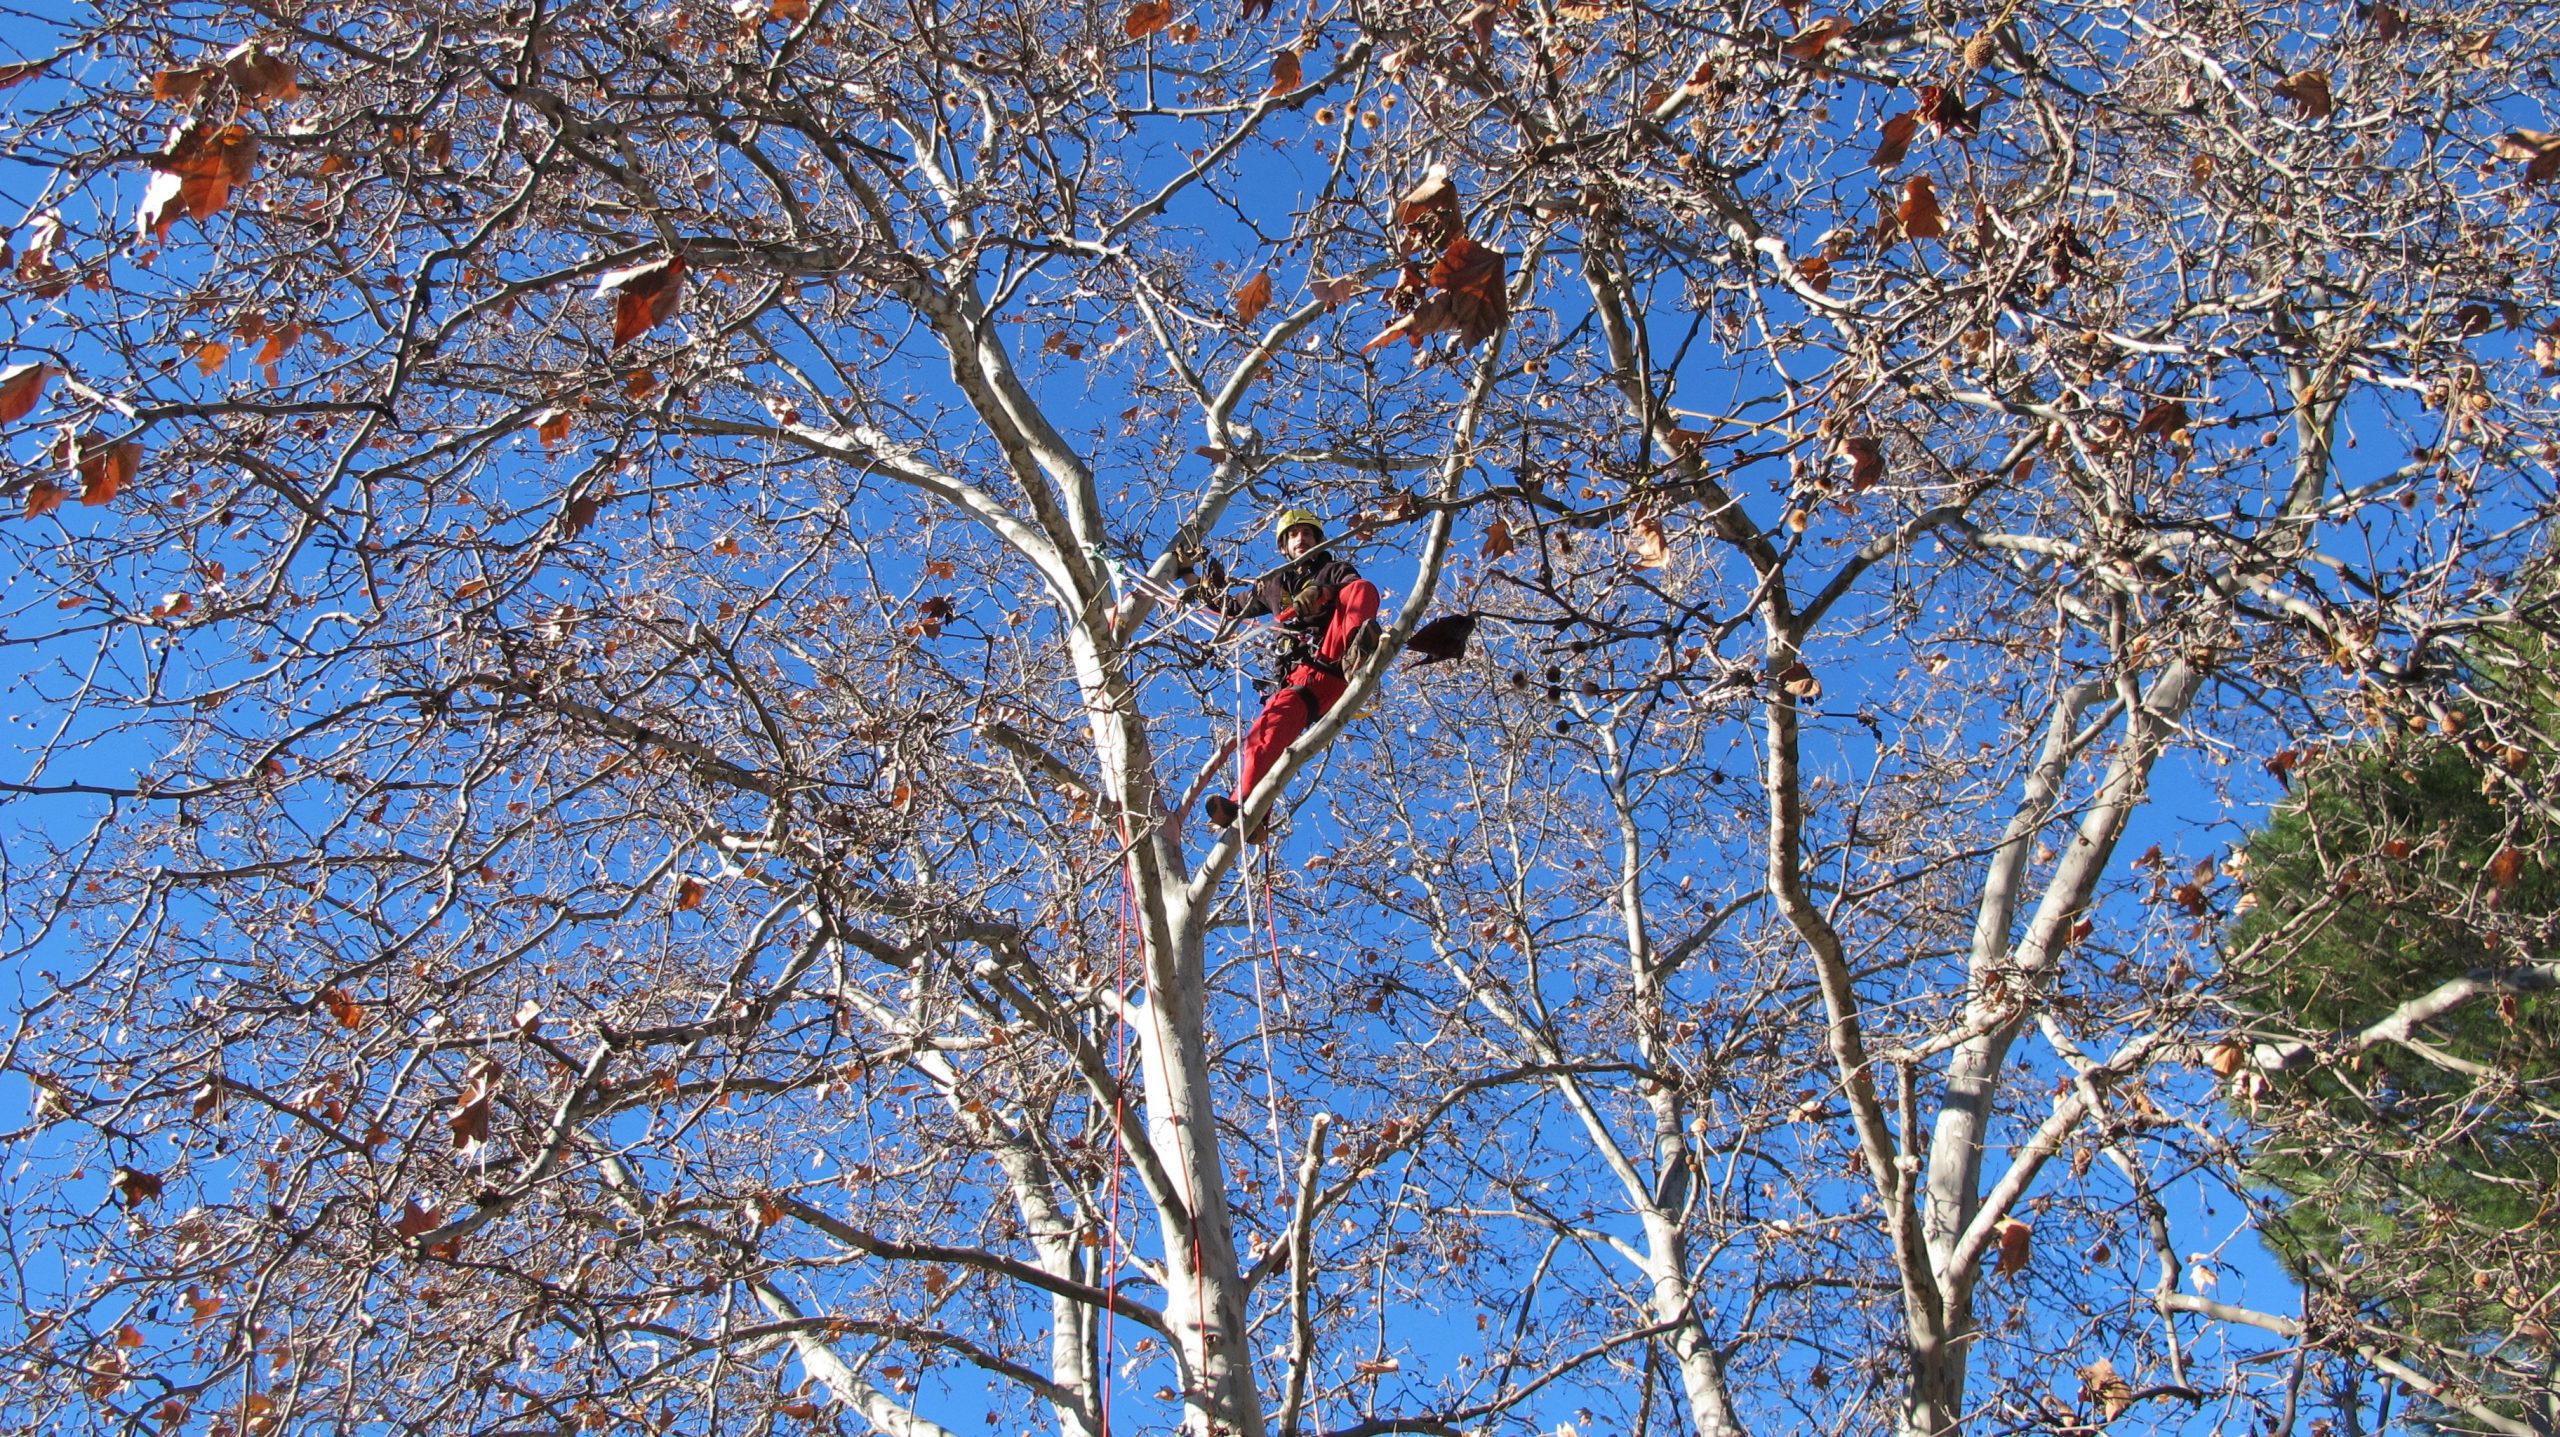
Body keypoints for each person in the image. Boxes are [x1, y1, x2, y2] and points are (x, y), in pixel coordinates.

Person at [1186, 508, 1380, 839]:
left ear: (1319, 540)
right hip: (1300, 678)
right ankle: (1249, 811)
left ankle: (1358, 653)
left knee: (1361, 589)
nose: (1300, 539)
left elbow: (1350, 588)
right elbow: (1226, 606)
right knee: (1265, 733)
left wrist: (1322, 593)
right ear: (1283, 546)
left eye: (1307, 533)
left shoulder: (1332, 570)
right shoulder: (1273, 585)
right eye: (1293, 535)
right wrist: (1187, 573)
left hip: (1333, 654)